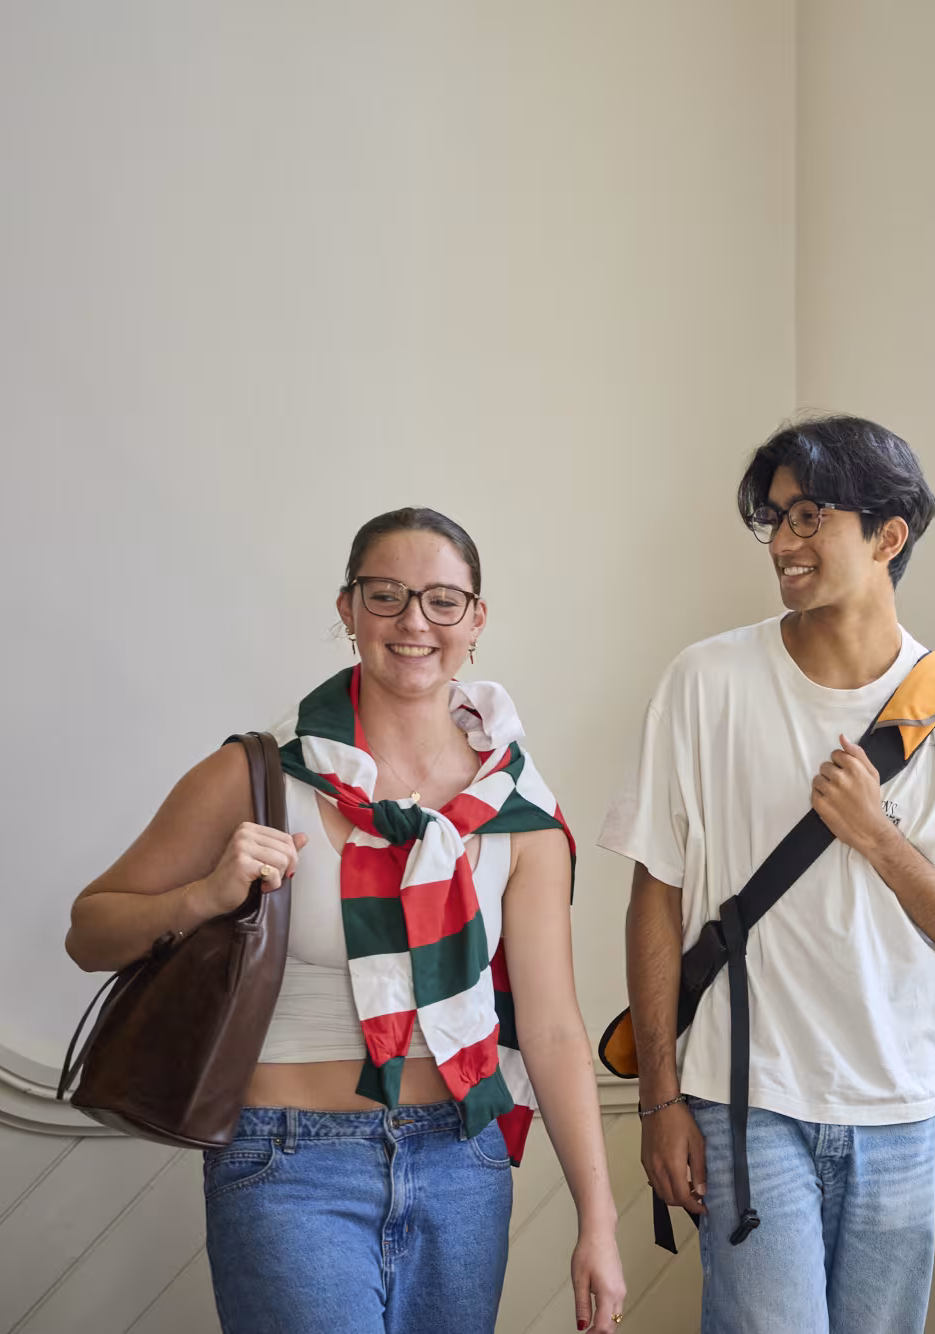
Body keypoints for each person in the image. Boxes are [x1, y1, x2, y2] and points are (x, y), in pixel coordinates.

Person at [66, 508, 625, 1334]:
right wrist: (209, 894)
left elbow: (552, 1031)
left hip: (462, 1162)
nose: (413, 623)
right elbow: (90, 931)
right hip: (287, 1163)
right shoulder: (258, 775)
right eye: (386, 595)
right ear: (347, 609)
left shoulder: (519, 810)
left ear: (476, 618)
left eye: (442, 600)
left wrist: (599, 1223)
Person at [602, 416, 935, 1334]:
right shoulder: (706, 683)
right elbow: (657, 899)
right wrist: (658, 1101)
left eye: (810, 517)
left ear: (890, 536)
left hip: (899, 1108)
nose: (783, 542)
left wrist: (879, 840)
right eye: (773, 519)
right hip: (745, 1099)